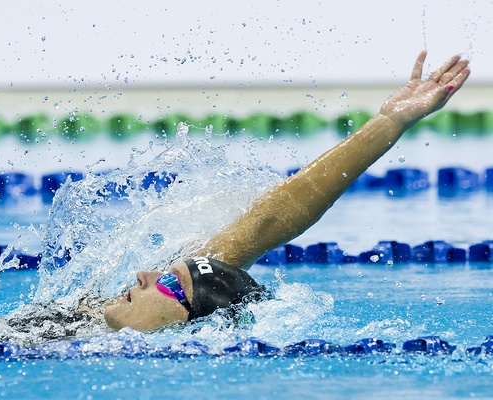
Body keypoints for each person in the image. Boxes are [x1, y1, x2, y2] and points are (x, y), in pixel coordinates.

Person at [101, 51, 471, 332]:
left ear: (194, 325)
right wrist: (388, 121)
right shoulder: (87, 319)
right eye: (164, 274)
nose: (141, 274)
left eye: (168, 281)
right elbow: (269, 219)